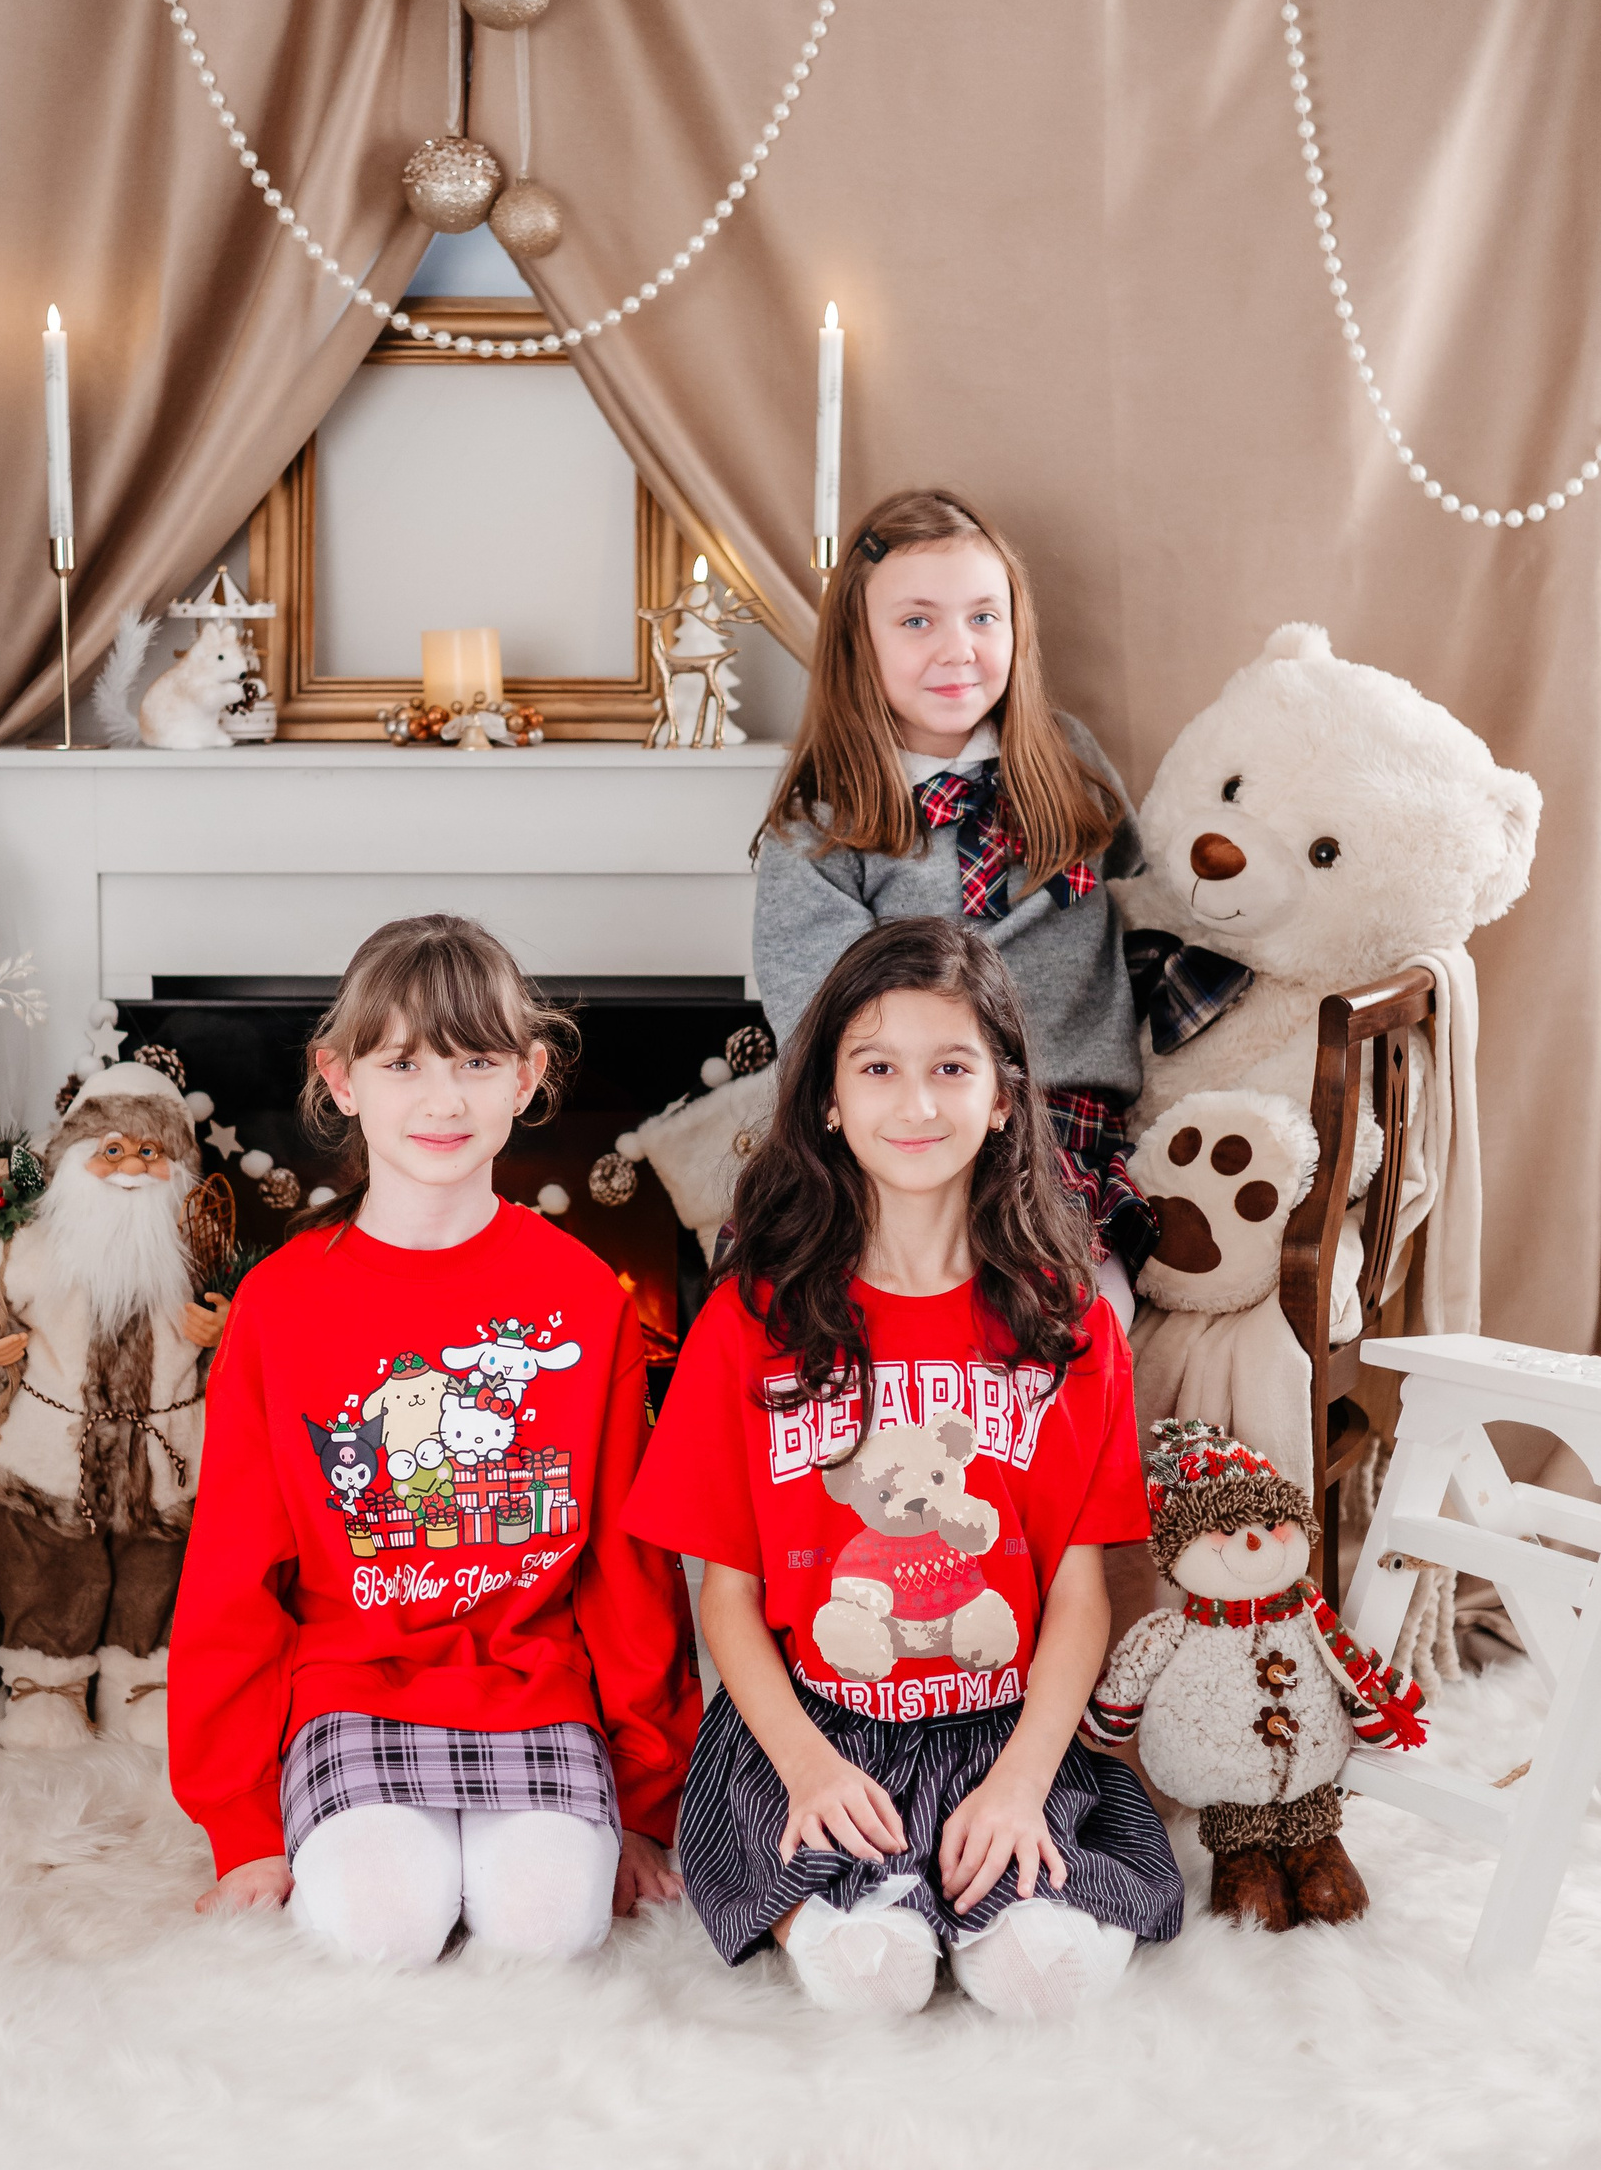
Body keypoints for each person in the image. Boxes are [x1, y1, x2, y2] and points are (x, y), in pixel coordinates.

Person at [624, 917, 1183, 2022]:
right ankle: (845, 1899)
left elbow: (1080, 1593)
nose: (917, 1103)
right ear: (828, 1098)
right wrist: (807, 1768)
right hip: (813, 1721)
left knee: (1045, 1979)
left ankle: (999, 1872)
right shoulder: (750, 1319)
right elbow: (725, 1595)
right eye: (877, 1067)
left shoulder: (1072, 1325)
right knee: (870, 1979)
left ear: (1005, 1096)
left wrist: (1022, 1781)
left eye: (952, 1068)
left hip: (1004, 1723)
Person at [169, 913, 701, 1966]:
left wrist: (648, 1797)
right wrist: (242, 1823)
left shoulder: (583, 1294)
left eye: (476, 1062)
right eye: (404, 1062)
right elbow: (233, 1568)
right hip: (349, 1689)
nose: (444, 1099)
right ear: (341, 1078)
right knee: (378, 1925)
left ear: (528, 1076)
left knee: (551, 1927)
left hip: (538, 1693)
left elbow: (628, 1564)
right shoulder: (280, 1303)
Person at [751, 487, 1154, 1314]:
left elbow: (1148, 894)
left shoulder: (1067, 759)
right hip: (904, 1125)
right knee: (845, 1302)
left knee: (1086, 1313)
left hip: (1058, 1117)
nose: (958, 649)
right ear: (858, 643)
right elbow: (819, 1020)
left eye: (983, 617)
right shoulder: (821, 824)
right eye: (916, 621)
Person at [0, 1055, 227, 1751]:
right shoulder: (33, 1245)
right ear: (74, 1157)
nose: (131, 1166)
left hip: (163, 1461)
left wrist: (223, 1329)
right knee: (50, 1570)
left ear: (178, 1168)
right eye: (111, 1150)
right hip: (48, 1456)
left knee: (155, 1572)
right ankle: (47, 1683)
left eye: (151, 1152)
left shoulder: (197, 1252)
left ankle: (142, 1681)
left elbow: (254, 1329)